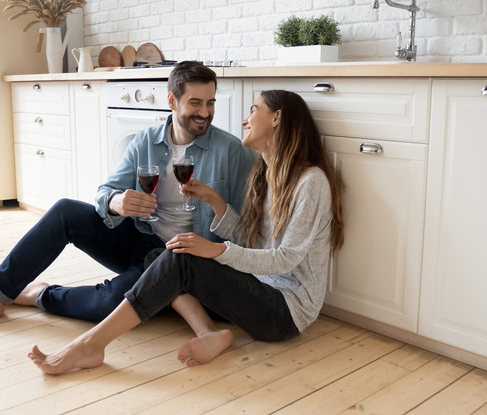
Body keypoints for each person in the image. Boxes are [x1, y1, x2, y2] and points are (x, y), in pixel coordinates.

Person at [26, 89, 345, 373]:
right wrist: (213, 199)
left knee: (180, 259)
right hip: (258, 291)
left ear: (277, 118)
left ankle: (91, 345)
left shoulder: (310, 181)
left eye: (253, 110)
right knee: (162, 253)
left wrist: (217, 250)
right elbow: (253, 242)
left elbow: (286, 259)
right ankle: (208, 332)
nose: (245, 120)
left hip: (285, 312)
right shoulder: (264, 176)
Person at [0, 61, 254, 332]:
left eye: (210, 103)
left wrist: (213, 206)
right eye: (195, 103)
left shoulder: (230, 151)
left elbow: (246, 228)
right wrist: (117, 202)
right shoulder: (145, 142)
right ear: (172, 101)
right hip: (141, 239)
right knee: (66, 211)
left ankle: (41, 294)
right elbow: (105, 192)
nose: (205, 112)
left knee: (109, 305)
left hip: (180, 258)